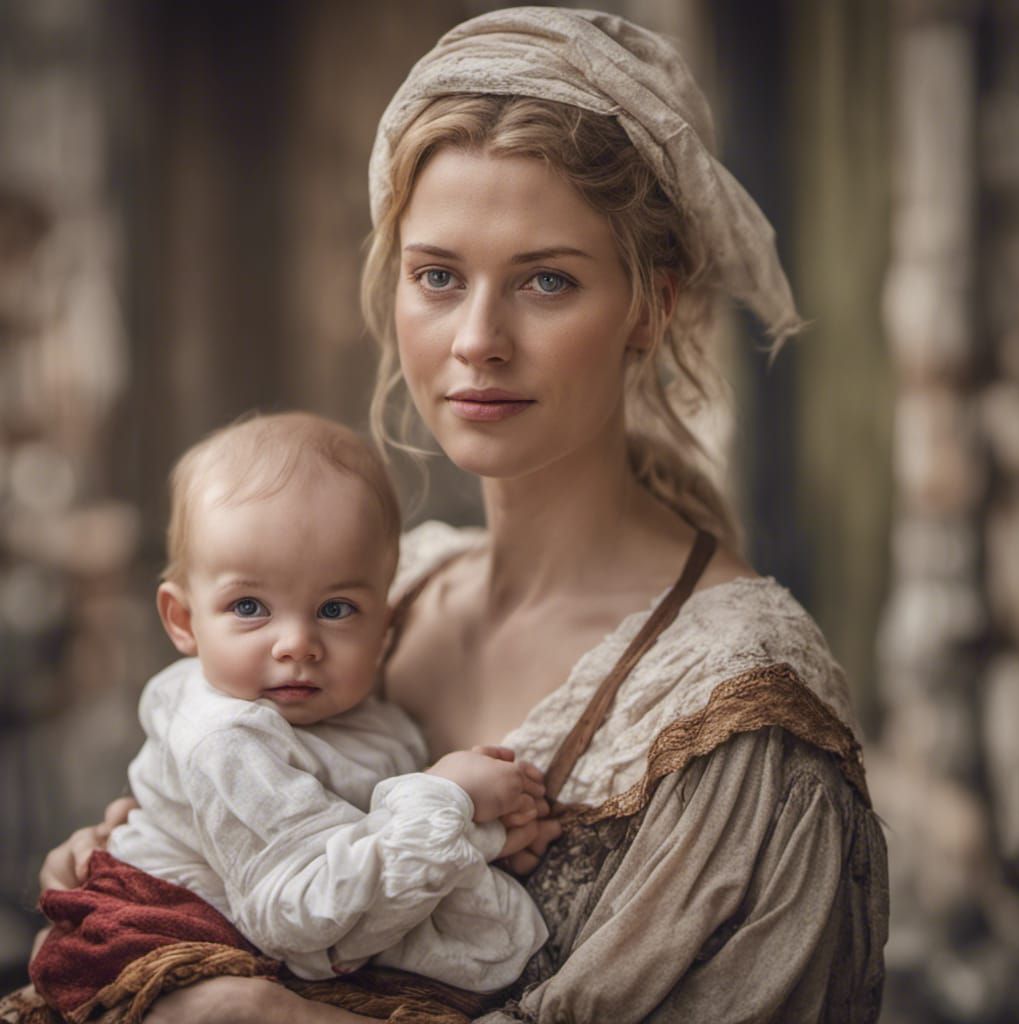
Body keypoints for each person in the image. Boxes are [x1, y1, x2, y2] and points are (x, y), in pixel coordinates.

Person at [24, 7, 888, 1023]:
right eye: (438, 276)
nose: (477, 339)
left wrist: (246, 1014)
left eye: (545, 281)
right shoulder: (380, 594)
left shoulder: (737, 705)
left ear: (650, 307)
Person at [25, 412, 549, 1020]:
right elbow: (300, 917)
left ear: (384, 621)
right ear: (183, 621)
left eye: (336, 608)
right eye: (250, 606)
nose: (296, 643)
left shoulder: (369, 721)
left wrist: (482, 839)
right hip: (172, 941)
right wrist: (447, 801)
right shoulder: (229, 736)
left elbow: (360, 846)